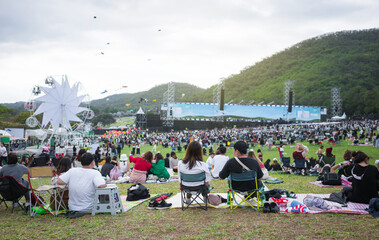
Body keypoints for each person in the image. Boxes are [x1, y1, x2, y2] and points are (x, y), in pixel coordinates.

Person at [57, 153, 106, 218]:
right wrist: (105, 184)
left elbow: (59, 181)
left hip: (73, 207)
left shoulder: (72, 171)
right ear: (92, 162)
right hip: (89, 207)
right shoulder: (95, 172)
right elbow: (100, 185)